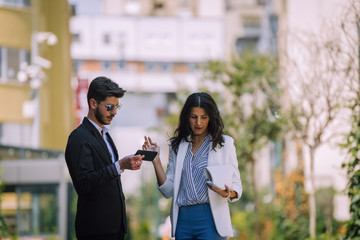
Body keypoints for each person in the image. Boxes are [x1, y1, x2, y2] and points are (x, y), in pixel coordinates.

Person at [142, 92, 242, 240]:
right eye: (194, 117)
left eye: (204, 117)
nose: (198, 123)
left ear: (211, 118)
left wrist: (226, 193)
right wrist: (155, 160)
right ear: (186, 117)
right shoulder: (177, 146)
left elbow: (237, 187)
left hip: (211, 220)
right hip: (183, 221)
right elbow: (168, 190)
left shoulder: (224, 144)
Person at [65, 76, 144, 240]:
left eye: (116, 107)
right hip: (95, 230)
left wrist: (121, 165)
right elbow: (84, 183)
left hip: (115, 228)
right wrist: (119, 165)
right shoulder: (79, 138)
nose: (114, 112)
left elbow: (108, 178)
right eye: (109, 107)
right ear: (93, 104)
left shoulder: (105, 135)